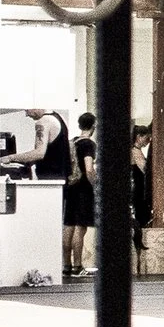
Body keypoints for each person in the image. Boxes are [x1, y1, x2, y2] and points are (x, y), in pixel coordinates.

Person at [62, 112, 98, 277]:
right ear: (93, 126)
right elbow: (89, 168)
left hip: (70, 186)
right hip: (83, 188)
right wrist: (95, 185)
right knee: (80, 227)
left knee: (68, 225)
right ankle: (78, 266)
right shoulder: (88, 144)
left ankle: (66, 265)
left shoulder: (72, 142)